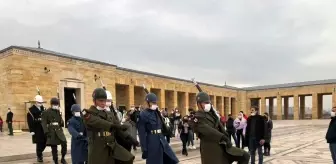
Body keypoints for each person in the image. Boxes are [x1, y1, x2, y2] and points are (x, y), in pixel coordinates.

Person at [82, 88, 137, 164]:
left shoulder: (109, 114)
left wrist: (129, 137)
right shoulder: (88, 114)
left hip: (111, 145)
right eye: (101, 101)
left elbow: (118, 128)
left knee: (128, 158)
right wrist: (113, 126)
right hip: (98, 147)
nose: (103, 103)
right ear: (94, 101)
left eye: (105, 100)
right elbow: (99, 122)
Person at [192, 92, 250, 164]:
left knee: (245, 155)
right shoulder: (197, 117)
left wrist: (226, 135)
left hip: (223, 146)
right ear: (198, 104)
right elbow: (208, 130)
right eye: (205, 103)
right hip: (211, 149)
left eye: (209, 103)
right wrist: (223, 137)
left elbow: (220, 126)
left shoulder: (211, 115)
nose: (208, 105)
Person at [138, 93, 179, 164]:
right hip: (151, 141)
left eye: (155, 102)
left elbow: (161, 126)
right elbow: (141, 133)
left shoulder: (156, 112)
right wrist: (144, 148)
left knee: (170, 159)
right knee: (155, 161)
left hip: (161, 139)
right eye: (153, 102)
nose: (155, 104)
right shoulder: (143, 114)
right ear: (148, 103)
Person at [41, 98, 68, 164]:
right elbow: (43, 123)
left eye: (57, 104)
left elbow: (61, 122)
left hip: (59, 130)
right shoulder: (46, 112)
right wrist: (46, 132)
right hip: (52, 131)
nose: (56, 105)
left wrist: (61, 117)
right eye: (54, 104)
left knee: (64, 143)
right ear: (51, 104)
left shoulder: (58, 111)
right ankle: (55, 160)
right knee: (54, 148)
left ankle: (63, 158)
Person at [27, 95, 47, 162]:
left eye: (41, 102)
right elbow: (30, 121)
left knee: (45, 142)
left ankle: (40, 152)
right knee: (39, 143)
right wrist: (31, 130)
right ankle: (39, 156)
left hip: (43, 128)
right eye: (39, 102)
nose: (40, 104)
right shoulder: (31, 110)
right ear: (35, 102)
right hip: (37, 129)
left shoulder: (43, 109)